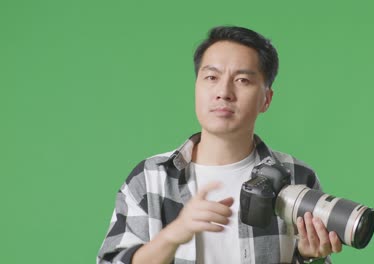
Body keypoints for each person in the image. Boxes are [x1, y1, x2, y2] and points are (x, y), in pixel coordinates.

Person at [97, 26, 342, 264]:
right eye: (211, 77)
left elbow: (318, 257)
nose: (223, 92)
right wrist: (173, 235)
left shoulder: (297, 177)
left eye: (243, 80)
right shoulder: (150, 177)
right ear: (196, 87)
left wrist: (312, 258)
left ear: (266, 99)